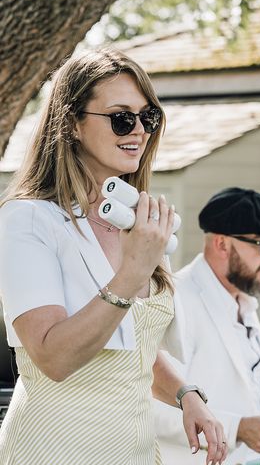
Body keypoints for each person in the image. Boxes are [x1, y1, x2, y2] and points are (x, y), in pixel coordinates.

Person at [0, 49, 226, 465]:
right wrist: (132, 272)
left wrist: (186, 393)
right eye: (122, 117)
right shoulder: (28, 220)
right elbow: (53, 357)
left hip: (134, 452)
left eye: (149, 117)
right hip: (54, 451)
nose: (139, 130)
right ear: (71, 123)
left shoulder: (138, 221)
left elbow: (131, 342)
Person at [154, 188, 260, 464]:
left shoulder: (240, 299)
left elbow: (231, 388)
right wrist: (237, 429)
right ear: (222, 244)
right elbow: (150, 408)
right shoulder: (177, 299)